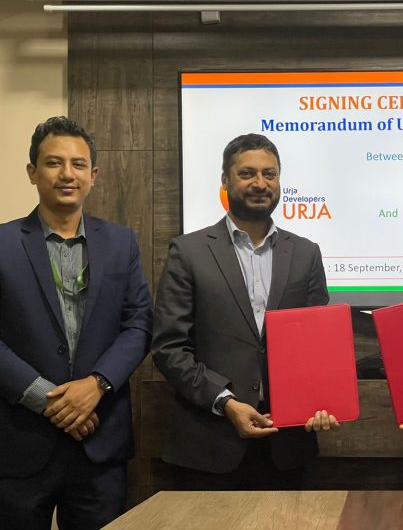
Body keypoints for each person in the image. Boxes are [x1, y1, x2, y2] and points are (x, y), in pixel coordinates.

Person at [152, 133, 337, 490]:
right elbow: (169, 348)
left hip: (287, 445)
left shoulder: (306, 253)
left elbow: (318, 347)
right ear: (225, 180)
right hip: (210, 443)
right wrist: (225, 402)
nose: (260, 183)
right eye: (247, 173)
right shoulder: (188, 252)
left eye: (270, 174)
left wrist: (322, 401)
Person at [0, 116, 153, 529]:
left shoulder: (121, 242)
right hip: (20, 443)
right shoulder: (3, 243)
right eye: (54, 163)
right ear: (32, 172)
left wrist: (96, 384)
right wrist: (49, 399)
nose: (67, 174)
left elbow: (139, 323)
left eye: (78, 164)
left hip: (99, 442)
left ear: (93, 175)